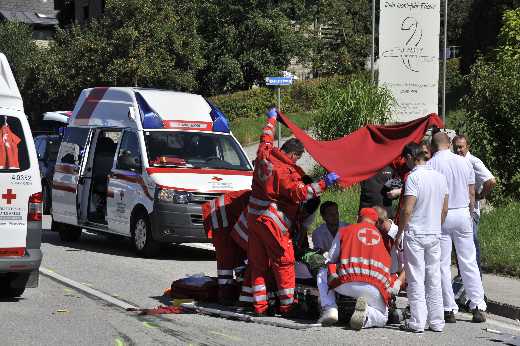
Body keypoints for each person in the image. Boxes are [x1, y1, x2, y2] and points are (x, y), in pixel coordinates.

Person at [247, 106, 340, 316]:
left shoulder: (265, 152)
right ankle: (288, 306)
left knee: (258, 264)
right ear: (294, 154)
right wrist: (325, 182)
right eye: (298, 158)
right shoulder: (286, 172)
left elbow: (266, 137)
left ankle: (259, 306)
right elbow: (301, 194)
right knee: (284, 261)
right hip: (272, 221)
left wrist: (271, 120)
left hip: (253, 217)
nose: (297, 162)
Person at [428, 132, 487, 323]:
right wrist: (470, 213)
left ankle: (448, 308)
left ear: (433, 146)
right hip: (462, 213)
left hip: (441, 215)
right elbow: (472, 192)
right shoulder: (464, 162)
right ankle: (477, 305)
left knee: (443, 263)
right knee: (468, 260)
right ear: (449, 144)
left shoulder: (431, 165)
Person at [395, 143, 449, 333]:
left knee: (416, 277)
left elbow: (407, 209)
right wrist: (436, 226)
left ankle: (418, 321)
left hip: (416, 233)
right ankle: (437, 321)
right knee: (434, 277)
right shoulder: (440, 177)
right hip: (434, 233)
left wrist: (400, 232)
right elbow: (444, 209)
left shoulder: (413, 177)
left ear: (411, 157)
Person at [317, 208, 398, 330]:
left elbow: (331, 259)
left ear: (358, 218)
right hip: (375, 288)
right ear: (376, 223)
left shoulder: (344, 231)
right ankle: (367, 314)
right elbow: (393, 269)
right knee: (383, 316)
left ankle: (330, 309)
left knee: (323, 271)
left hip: (346, 283)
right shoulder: (383, 239)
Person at [452, 135, 496, 273]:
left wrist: (480, 195)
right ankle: (463, 284)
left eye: (461, 147)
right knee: (459, 251)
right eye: (456, 147)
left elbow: (491, 181)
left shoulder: (473, 161)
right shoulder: (454, 161)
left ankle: (478, 290)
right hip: (457, 212)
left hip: (471, 213)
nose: (458, 150)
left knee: (471, 249)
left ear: (467, 147)